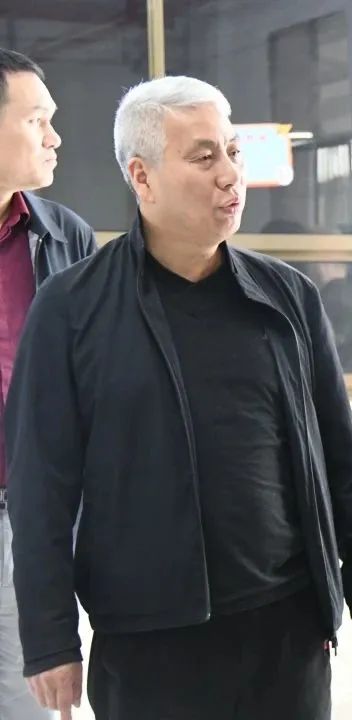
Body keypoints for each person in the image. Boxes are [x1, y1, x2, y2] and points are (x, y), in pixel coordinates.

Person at [5, 76, 352, 720]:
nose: (230, 174)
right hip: (149, 640)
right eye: (204, 156)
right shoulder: (72, 308)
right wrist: (50, 641)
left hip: (286, 630)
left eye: (233, 152)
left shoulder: (287, 297)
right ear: (143, 176)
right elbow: (40, 488)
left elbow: (337, 452)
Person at [0, 47, 95, 720]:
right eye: (37, 120)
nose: (55, 137)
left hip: (29, 516)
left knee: (24, 697)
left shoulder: (65, 237)